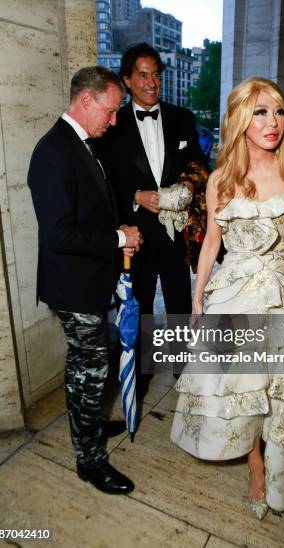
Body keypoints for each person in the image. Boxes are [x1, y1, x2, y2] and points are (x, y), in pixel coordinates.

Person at [171, 77, 284, 518]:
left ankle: (279, 469)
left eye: (279, 111)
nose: (273, 122)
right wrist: (198, 300)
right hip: (234, 296)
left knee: (281, 388)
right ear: (241, 119)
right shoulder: (221, 179)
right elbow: (209, 247)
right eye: (261, 112)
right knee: (238, 387)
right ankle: (256, 467)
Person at [27, 66, 142, 495]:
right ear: (87, 100)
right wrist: (117, 237)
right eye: (110, 111)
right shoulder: (54, 151)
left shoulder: (86, 143)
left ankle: (89, 424)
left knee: (90, 369)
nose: (114, 121)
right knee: (89, 371)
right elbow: (58, 234)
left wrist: (120, 241)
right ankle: (89, 461)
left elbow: (95, 213)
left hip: (92, 279)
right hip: (71, 286)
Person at [103, 43, 205, 397]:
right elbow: (106, 181)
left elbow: (197, 167)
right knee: (141, 303)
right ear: (127, 80)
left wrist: (186, 189)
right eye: (143, 75)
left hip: (175, 233)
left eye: (156, 75)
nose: (152, 82)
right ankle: (142, 371)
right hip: (136, 235)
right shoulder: (112, 126)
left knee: (178, 299)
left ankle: (182, 366)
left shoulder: (183, 118)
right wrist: (135, 195)